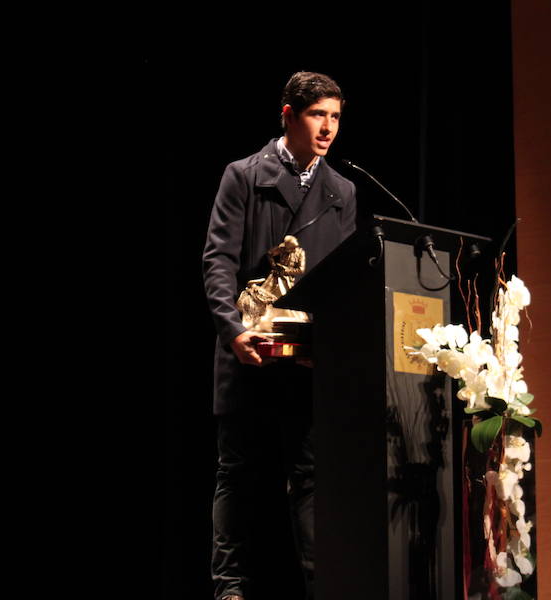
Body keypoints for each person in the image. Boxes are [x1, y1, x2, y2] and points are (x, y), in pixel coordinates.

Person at [202, 71, 357, 600]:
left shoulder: (343, 191)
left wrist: (335, 345)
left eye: (335, 116)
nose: (328, 128)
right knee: (239, 472)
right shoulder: (243, 176)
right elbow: (218, 259)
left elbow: (344, 281)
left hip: (307, 359)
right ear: (288, 114)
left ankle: (321, 584)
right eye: (318, 115)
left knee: (312, 476)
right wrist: (231, 329)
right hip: (249, 348)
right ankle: (231, 588)